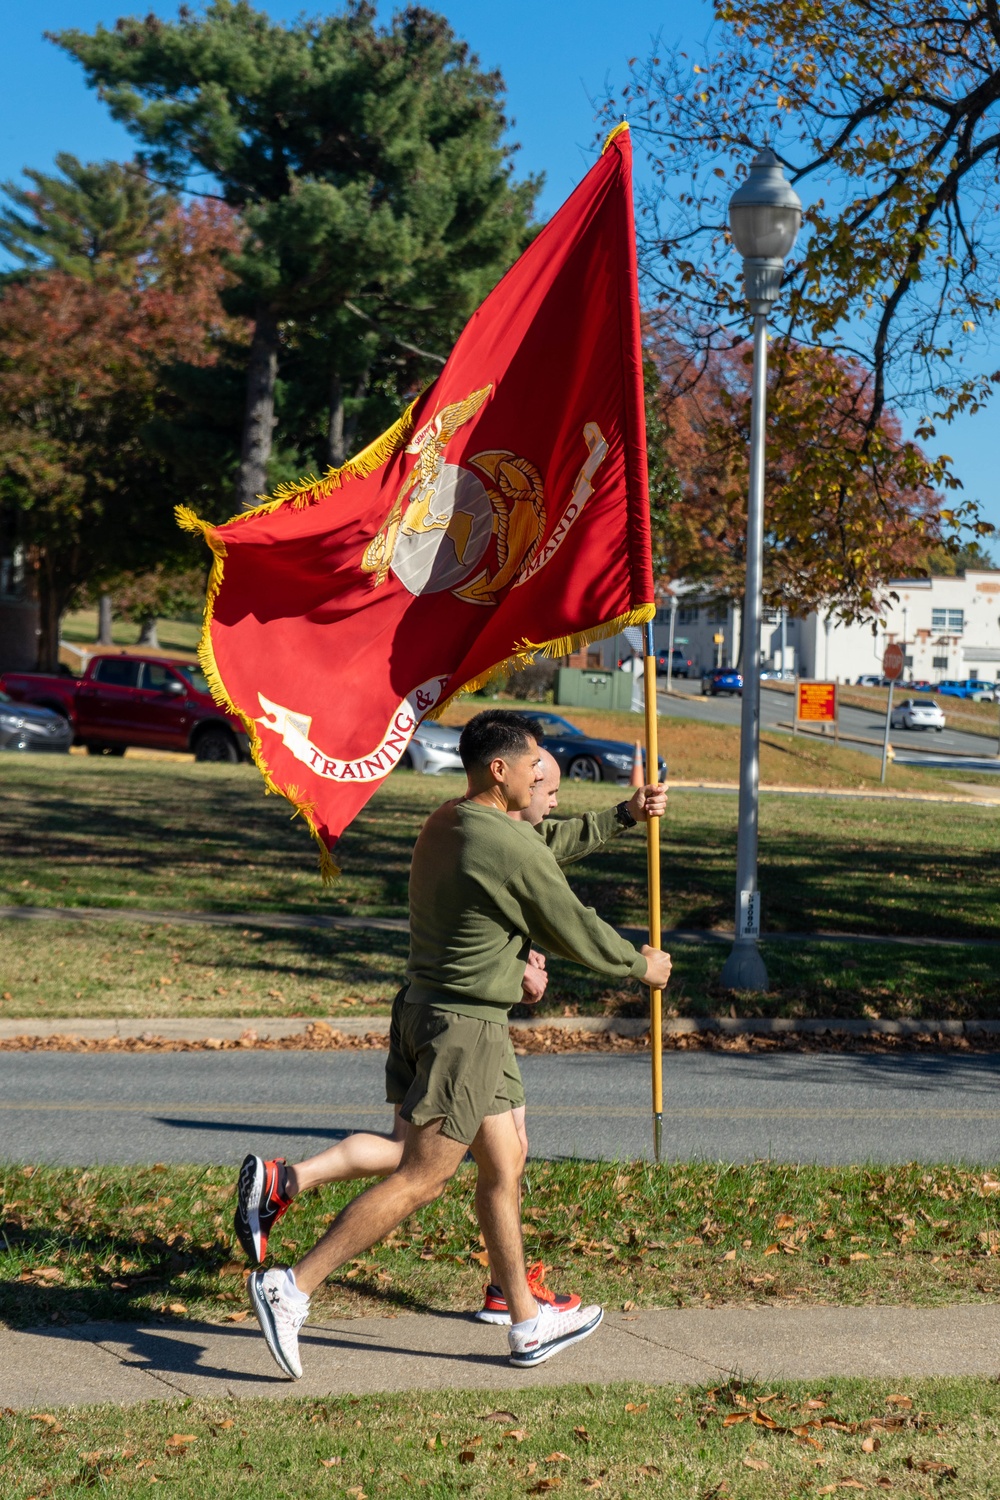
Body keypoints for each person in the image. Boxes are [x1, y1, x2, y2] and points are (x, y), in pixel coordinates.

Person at [241, 711, 672, 1378]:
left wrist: (621, 814)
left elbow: (543, 844)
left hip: (442, 1016)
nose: (541, 778)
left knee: (503, 1169)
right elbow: (568, 923)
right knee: (421, 1176)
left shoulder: (453, 819)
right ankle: (291, 1288)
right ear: (500, 771)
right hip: (462, 1031)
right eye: (535, 767)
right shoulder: (501, 840)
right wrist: (639, 965)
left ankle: (526, 1322)